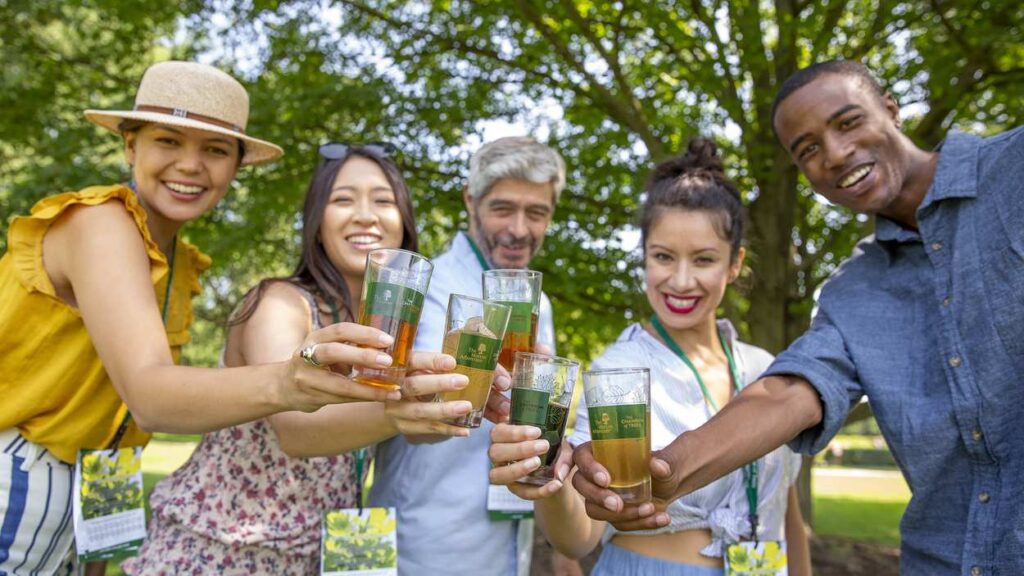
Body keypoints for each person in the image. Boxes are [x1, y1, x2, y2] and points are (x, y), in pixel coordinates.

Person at [572, 59, 1024, 574]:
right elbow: (790, 391)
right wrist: (669, 471)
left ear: (892, 111)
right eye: (807, 149)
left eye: (848, 121)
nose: (834, 153)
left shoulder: (1014, 172)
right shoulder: (853, 293)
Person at [0, 61, 410, 573]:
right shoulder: (100, 224)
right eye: (168, 141)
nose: (190, 165)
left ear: (236, 166)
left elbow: (122, 416)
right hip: (21, 471)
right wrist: (290, 381)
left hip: (84, 485)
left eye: (214, 150)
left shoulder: (177, 261)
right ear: (130, 146)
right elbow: (150, 397)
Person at [122, 144, 476, 573]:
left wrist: (457, 400)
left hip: (311, 558)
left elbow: (414, 432)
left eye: (383, 201)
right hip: (217, 550)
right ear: (316, 222)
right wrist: (398, 410)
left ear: (404, 223)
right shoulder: (282, 303)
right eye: (343, 199)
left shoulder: (391, 333)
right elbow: (297, 431)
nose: (366, 215)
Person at [488, 138, 811, 575]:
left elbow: (786, 510)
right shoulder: (616, 371)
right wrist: (546, 471)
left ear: (734, 264)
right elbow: (579, 535)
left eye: (703, 259)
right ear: (644, 257)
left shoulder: (767, 369)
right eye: (663, 257)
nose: (680, 280)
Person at [368, 136, 565, 576]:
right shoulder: (423, 287)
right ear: (470, 200)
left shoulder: (538, 304)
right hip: (422, 542)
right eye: (502, 209)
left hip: (508, 544)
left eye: (537, 213)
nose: (519, 229)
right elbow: (391, 409)